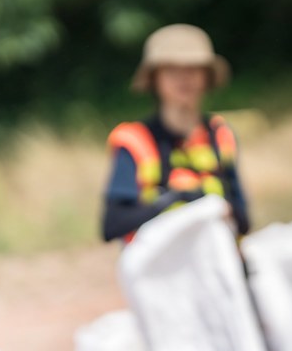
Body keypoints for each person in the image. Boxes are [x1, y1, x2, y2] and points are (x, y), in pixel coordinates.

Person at [101, 23, 250, 243]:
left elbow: (244, 220)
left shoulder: (221, 135)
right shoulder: (134, 141)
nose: (184, 78)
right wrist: (174, 201)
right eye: (172, 70)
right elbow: (112, 225)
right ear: (154, 79)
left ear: (206, 76)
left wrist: (213, 208)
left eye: (193, 69)